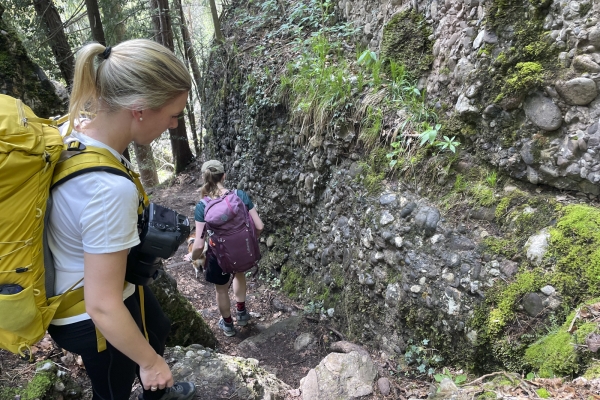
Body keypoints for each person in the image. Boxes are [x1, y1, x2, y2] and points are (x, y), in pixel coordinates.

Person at [46, 39, 196, 400]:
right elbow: (103, 304)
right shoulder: (108, 191)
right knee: (112, 387)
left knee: (157, 325)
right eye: (173, 114)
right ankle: (150, 382)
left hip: (86, 284)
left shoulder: (73, 130)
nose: (175, 125)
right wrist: (150, 364)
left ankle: (156, 391)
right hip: (88, 316)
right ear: (140, 110)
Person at [187, 160, 264, 336]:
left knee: (221, 289)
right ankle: (242, 313)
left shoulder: (202, 206)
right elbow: (259, 226)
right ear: (224, 176)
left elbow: (199, 244)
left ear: (204, 178)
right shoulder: (240, 195)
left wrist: (193, 257)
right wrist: (247, 243)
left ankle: (228, 325)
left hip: (218, 256)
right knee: (239, 274)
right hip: (241, 251)